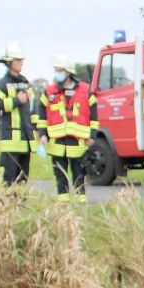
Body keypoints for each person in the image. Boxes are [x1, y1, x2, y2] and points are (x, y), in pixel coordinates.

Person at [37, 54, 98, 204]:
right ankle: (63, 204)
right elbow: (41, 115)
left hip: (77, 141)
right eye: (56, 70)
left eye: (59, 70)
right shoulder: (49, 92)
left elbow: (94, 115)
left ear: (68, 72)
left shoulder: (85, 90)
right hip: (56, 141)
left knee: (79, 173)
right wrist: (42, 135)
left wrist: (92, 135)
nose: (57, 73)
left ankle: (81, 202)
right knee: (60, 175)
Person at [0, 42, 37, 187]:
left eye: (21, 60)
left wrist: (38, 132)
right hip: (10, 142)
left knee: (22, 180)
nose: (21, 63)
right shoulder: (1, 85)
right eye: (18, 60)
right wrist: (17, 100)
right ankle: (5, 206)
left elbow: (33, 111)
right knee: (7, 180)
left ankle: (19, 205)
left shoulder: (26, 84)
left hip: (25, 142)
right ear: (9, 63)